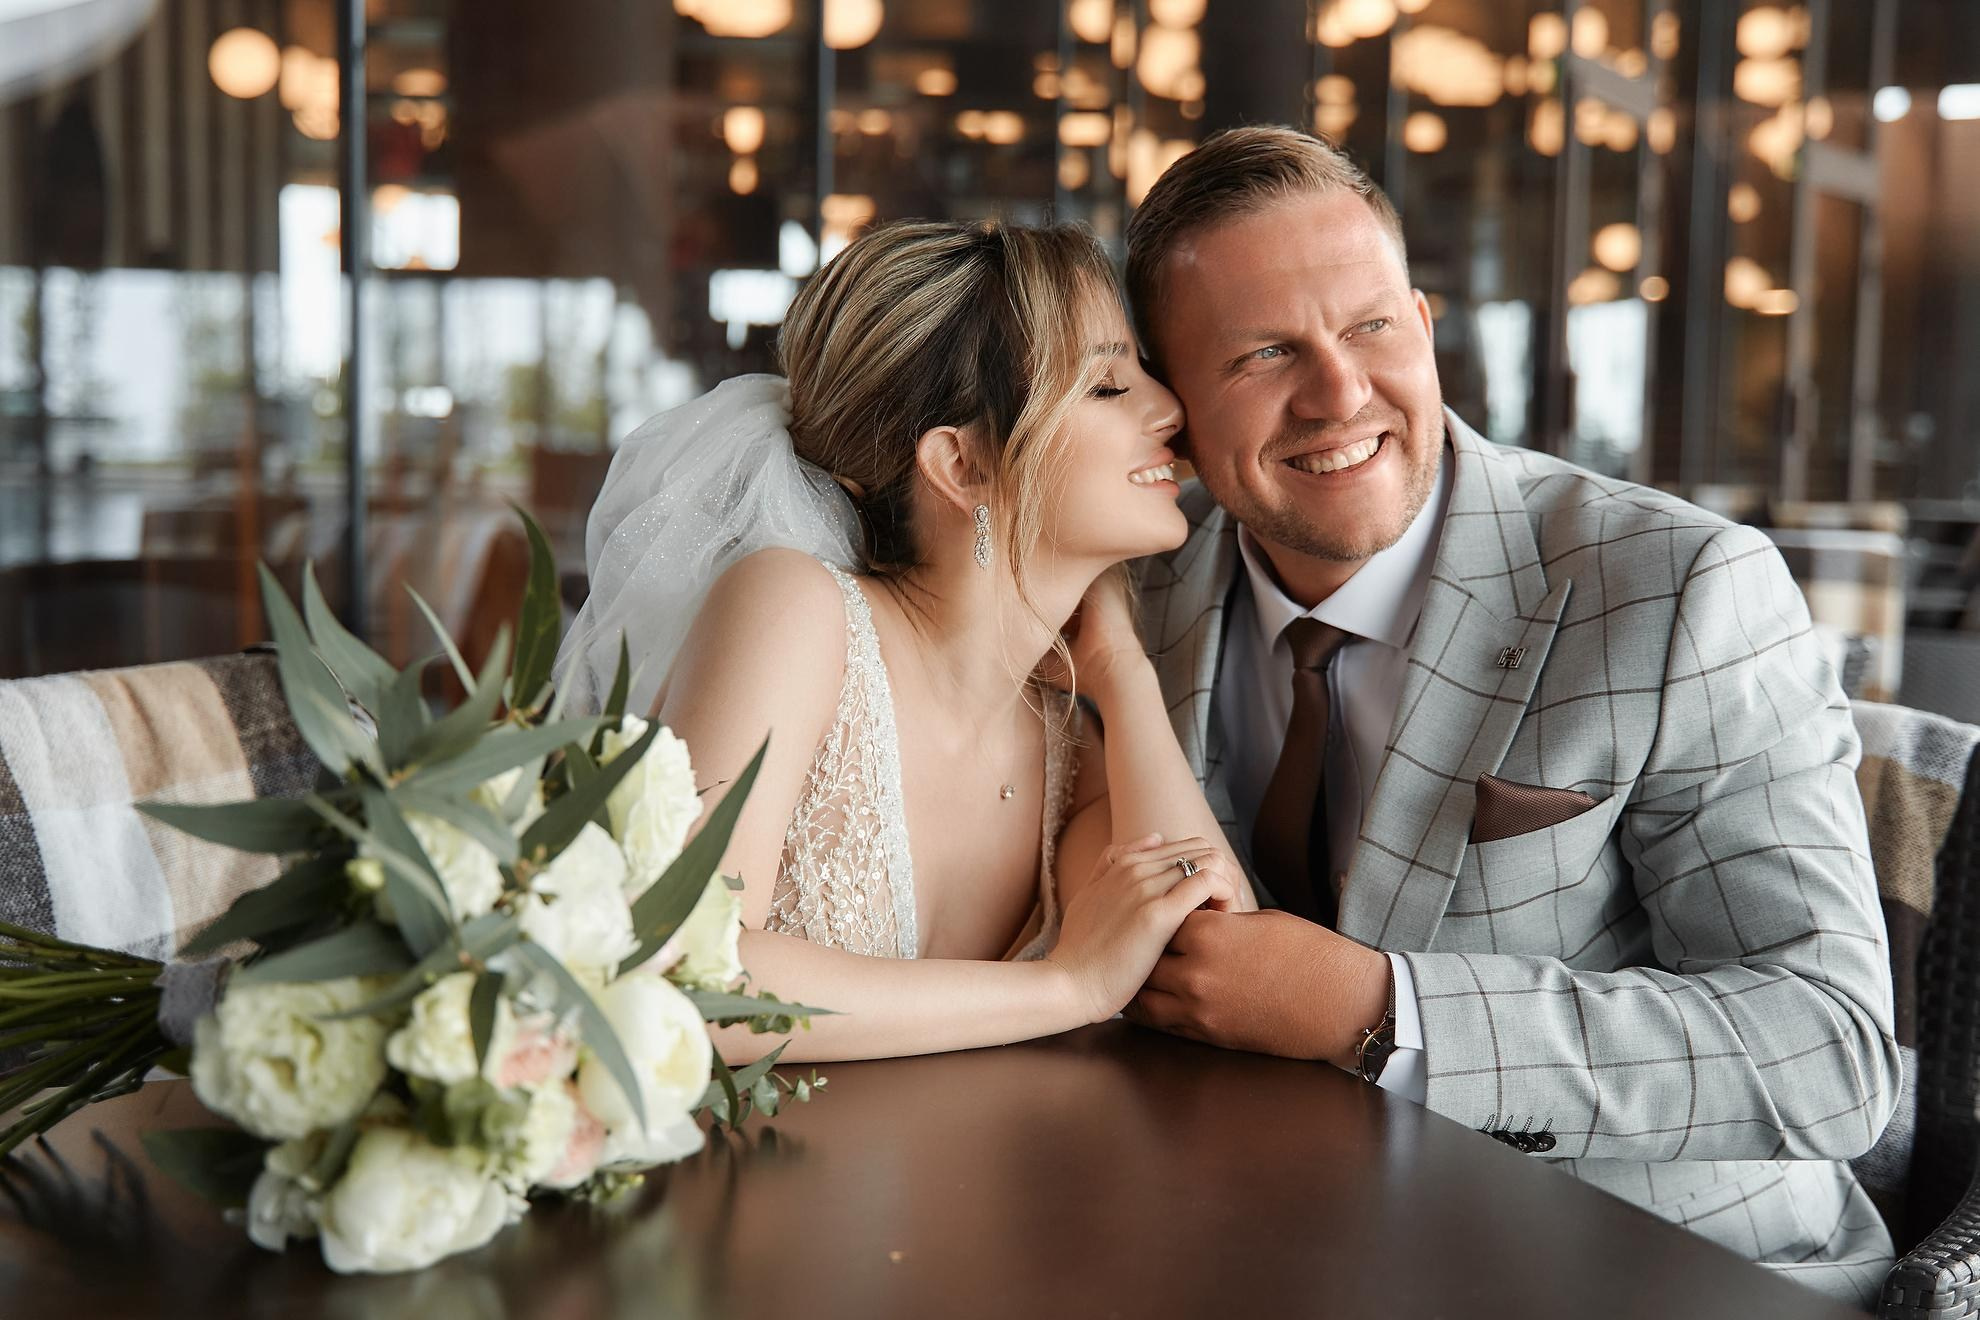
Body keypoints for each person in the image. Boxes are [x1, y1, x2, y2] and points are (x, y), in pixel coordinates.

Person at [1117, 125, 1901, 1306]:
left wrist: (1381, 1012)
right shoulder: (1131, 602)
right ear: (1171, 405)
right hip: (1273, 1250)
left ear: (1426, 330)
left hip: (1662, 1272)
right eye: (1265, 352)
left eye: (1371, 327)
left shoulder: (1679, 589)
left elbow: (1825, 1054)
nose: (1339, 394)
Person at [559, 219, 1250, 1065]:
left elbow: (1220, 960)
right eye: (1108, 386)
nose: (1170, 410)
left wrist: (1126, 673)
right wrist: (1066, 986)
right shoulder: (793, 614)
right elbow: (675, 967)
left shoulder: (1069, 738)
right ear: (962, 467)